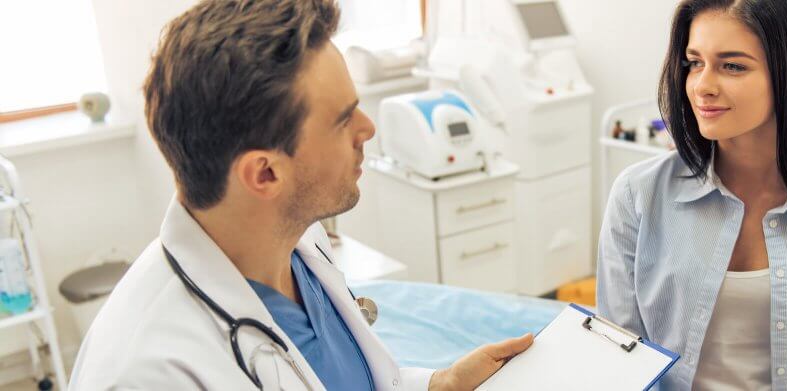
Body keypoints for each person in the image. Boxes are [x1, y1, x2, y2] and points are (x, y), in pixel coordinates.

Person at [69, 0, 532, 389]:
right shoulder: (148, 372)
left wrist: (439, 385)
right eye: (344, 118)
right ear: (266, 174)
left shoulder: (298, 241)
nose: (368, 129)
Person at [596, 0, 787, 390]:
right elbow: (620, 361)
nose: (702, 85)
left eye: (732, 66)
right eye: (694, 62)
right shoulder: (637, 194)